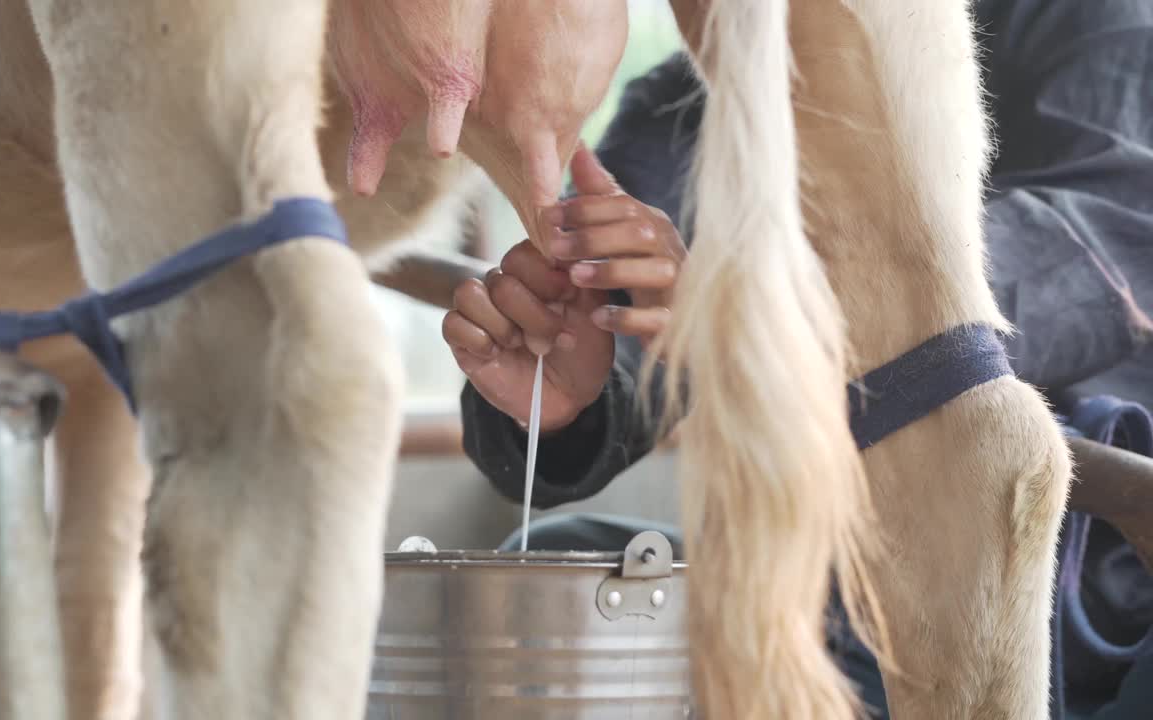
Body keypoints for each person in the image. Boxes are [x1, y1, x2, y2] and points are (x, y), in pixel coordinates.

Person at [444, 1, 1153, 717]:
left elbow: (1113, 239)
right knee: (557, 575)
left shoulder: (1089, 17)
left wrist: (757, 307)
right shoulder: (693, 89)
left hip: (1098, 577)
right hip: (827, 574)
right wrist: (569, 385)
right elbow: (631, 308)